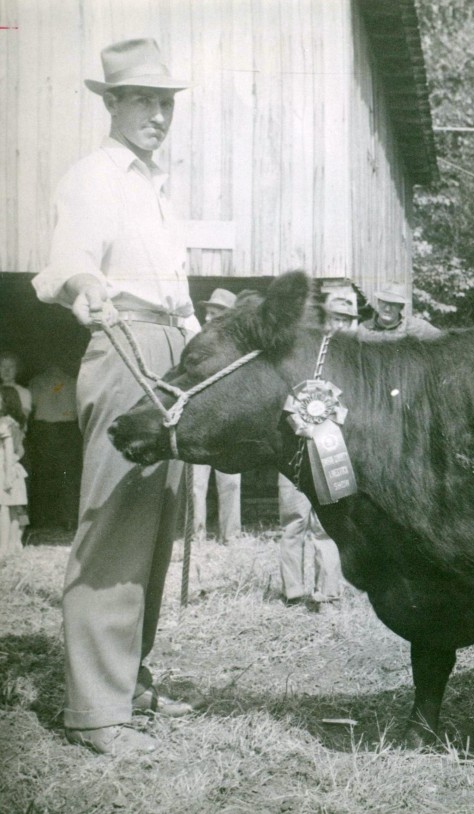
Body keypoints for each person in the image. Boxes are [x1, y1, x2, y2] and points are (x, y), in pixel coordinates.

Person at [32, 38, 197, 756]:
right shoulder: (93, 177)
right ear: (114, 104)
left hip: (170, 352)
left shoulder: (156, 188)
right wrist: (86, 287)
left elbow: (180, 293)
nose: (160, 114)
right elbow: (67, 261)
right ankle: (96, 713)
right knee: (115, 524)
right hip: (122, 345)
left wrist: (200, 352)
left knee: (158, 522)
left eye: (167, 102)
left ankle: (130, 682)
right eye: (146, 101)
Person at [277, 282, 359, 607]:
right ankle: (293, 590)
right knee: (293, 520)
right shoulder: (301, 353)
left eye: (346, 317)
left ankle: (329, 590)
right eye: (334, 316)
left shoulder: (356, 357)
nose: (339, 323)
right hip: (291, 448)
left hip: (332, 450)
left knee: (328, 524)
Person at [190, 289, 242, 543]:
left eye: (215, 313)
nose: (208, 317)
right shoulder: (196, 343)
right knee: (196, 482)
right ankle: (196, 535)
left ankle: (230, 535)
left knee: (230, 481)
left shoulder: (239, 349)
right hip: (199, 421)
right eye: (207, 312)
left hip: (228, 421)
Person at [28, 360, 81, 530]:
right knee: (67, 475)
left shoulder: (36, 382)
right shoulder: (73, 381)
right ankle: (67, 519)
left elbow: (32, 405)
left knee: (43, 474)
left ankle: (41, 519)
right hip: (64, 429)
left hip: (48, 429)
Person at [358, 281, 443, 340]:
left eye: (393, 304)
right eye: (384, 302)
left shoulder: (417, 327)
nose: (387, 309)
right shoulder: (364, 329)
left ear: (401, 307)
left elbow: (444, 341)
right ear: (379, 302)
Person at [0, 386, 28, 559]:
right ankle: (12, 546)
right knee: (13, 510)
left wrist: (8, 472)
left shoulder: (3, 423)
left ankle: (2, 549)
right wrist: (15, 462)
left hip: (5, 471)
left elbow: (10, 450)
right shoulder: (15, 423)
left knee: (3, 510)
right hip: (13, 470)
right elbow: (21, 450)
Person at [0, 351, 33, 418]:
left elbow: (23, 418)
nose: (7, 370)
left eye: (11, 366)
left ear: (17, 370)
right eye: (3, 366)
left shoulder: (24, 392)